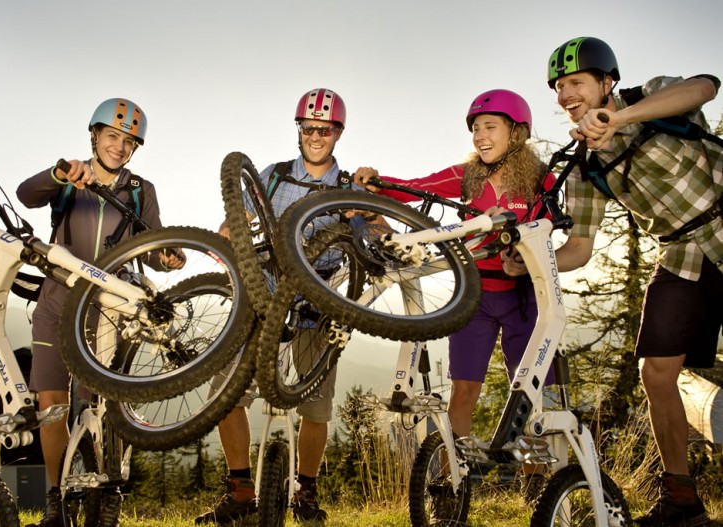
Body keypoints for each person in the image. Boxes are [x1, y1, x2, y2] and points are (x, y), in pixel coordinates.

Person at [507, 36, 720, 527]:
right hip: (681, 253)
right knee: (656, 374)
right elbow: (580, 248)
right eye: (559, 88)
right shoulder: (583, 167)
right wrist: (535, 264)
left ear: (607, 82)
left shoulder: (655, 98)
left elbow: (706, 86)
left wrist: (622, 118)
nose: (565, 95)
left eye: (576, 83)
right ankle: (682, 502)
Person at [354, 89, 555, 500]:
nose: (480, 135)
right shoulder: (468, 174)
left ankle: (535, 478)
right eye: (476, 128)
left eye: (490, 127)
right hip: (477, 296)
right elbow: (417, 187)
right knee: (464, 389)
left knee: (534, 392)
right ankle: (451, 483)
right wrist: (377, 182)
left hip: (526, 297)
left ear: (517, 132)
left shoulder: (540, 178)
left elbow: (549, 226)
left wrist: (524, 255)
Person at [16, 97, 183, 527]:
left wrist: (168, 256)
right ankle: (56, 499)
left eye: (128, 141)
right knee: (51, 402)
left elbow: (150, 247)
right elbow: (25, 195)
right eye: (112, 136)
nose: (119, 147)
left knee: (102, 406)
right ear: (94, 135)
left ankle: (107, 493)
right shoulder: (71, 177)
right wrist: (58, 173)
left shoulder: (142, 190)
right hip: (57, 297)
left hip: (110, 306)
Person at [197, 88, 359, 525]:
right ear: (299, 130)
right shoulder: (272, 175)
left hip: (317, 302)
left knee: (316, 406)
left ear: (337, 133)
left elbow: (370, 233)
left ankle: (305, 489)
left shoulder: (348, 187)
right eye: (308, 128)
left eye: (323, 129)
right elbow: (236, 218)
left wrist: (369, 225)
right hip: (263, 294)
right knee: (225, 392)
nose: (315, 136)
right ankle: (241, 490)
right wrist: (229, 233)